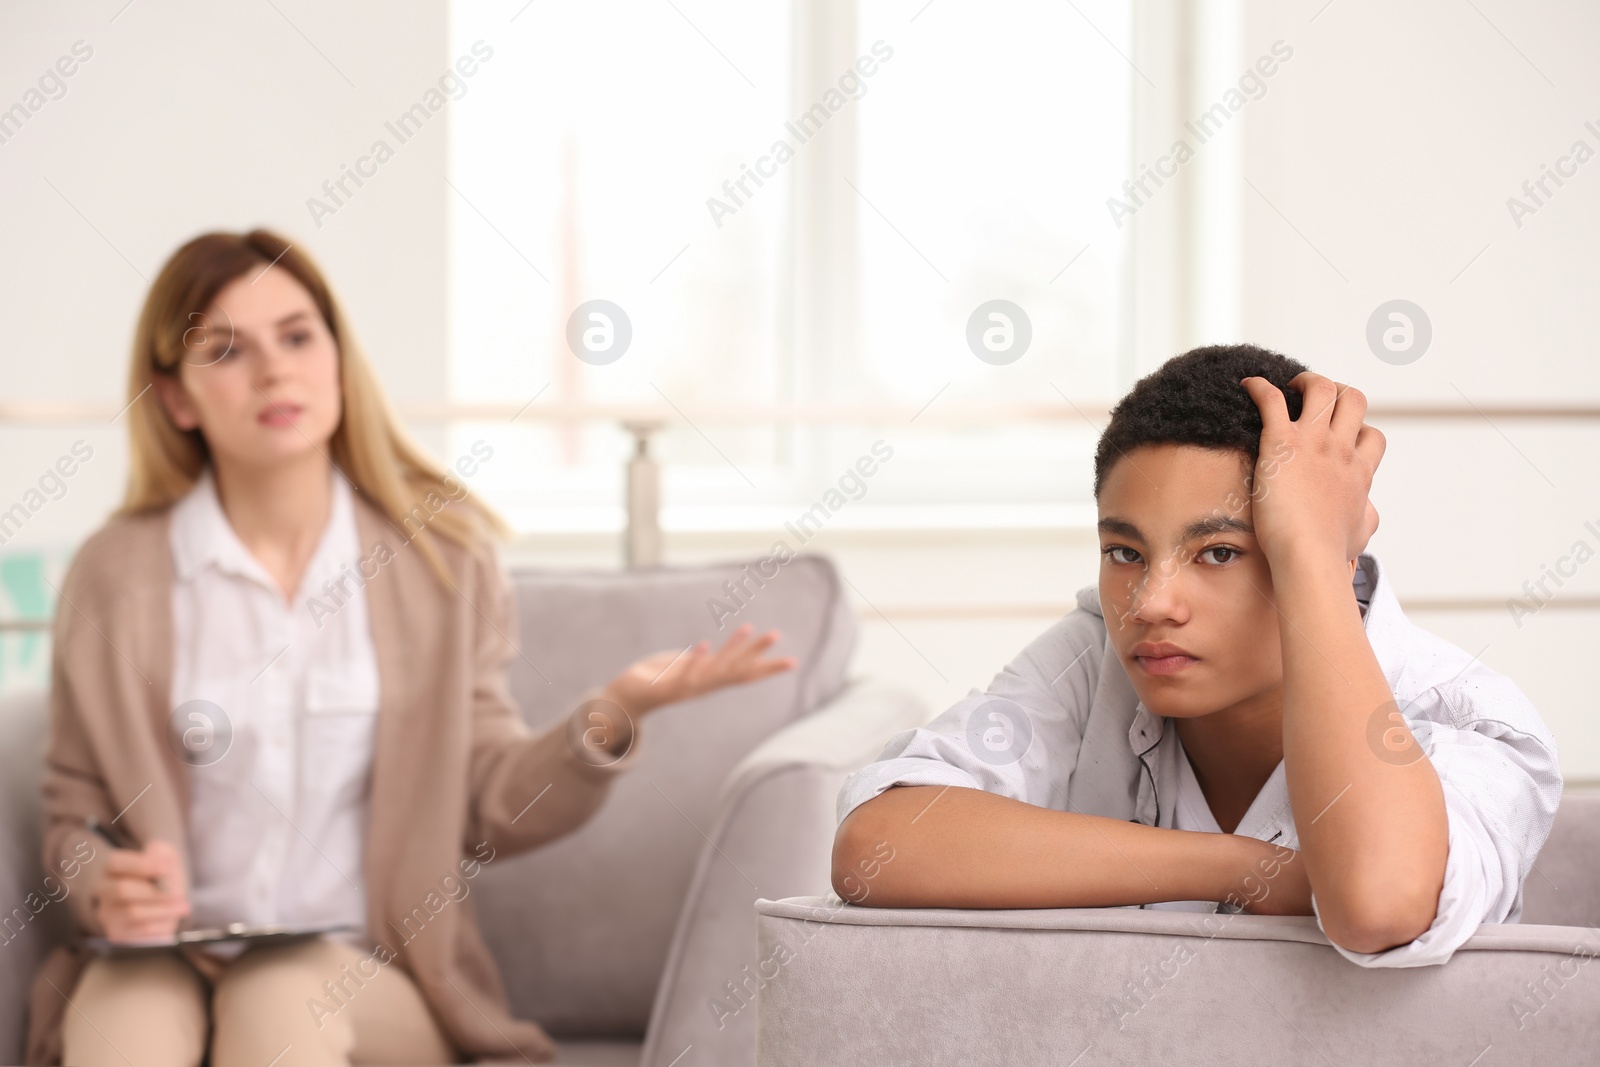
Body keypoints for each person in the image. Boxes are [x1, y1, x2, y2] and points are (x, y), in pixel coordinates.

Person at [28, 229, 797, 1066]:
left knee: (278, 993)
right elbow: (76, 806)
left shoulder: (439, 558)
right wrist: (99, 879)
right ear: (176, 398)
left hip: (368, 971)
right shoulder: (116, 573)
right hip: (164, 955)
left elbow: (490, 800)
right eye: (225, 350)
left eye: (296, 335)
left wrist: (615, 714)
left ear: (335, 357)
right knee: (122, 1029)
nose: (275, 370)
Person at [831, 343, 1562, 968]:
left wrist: (1311, 549)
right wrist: (1254, 871)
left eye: (1218, 551)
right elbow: (876, 845)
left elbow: (1378, 901)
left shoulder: (1475, 720)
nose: (1150, 601)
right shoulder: (1096, 657)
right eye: (1125, 550)